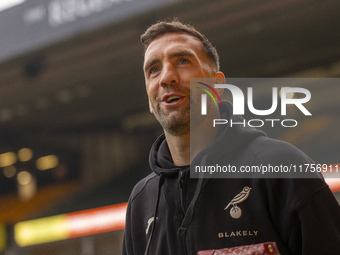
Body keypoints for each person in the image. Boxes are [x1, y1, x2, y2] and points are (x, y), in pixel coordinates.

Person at [122, 19, 340, 255]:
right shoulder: (141, 200)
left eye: (183, 61)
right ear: (150, 101)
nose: (166, 77)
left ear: (217, 85)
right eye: (154, 70)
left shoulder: (282, 167)